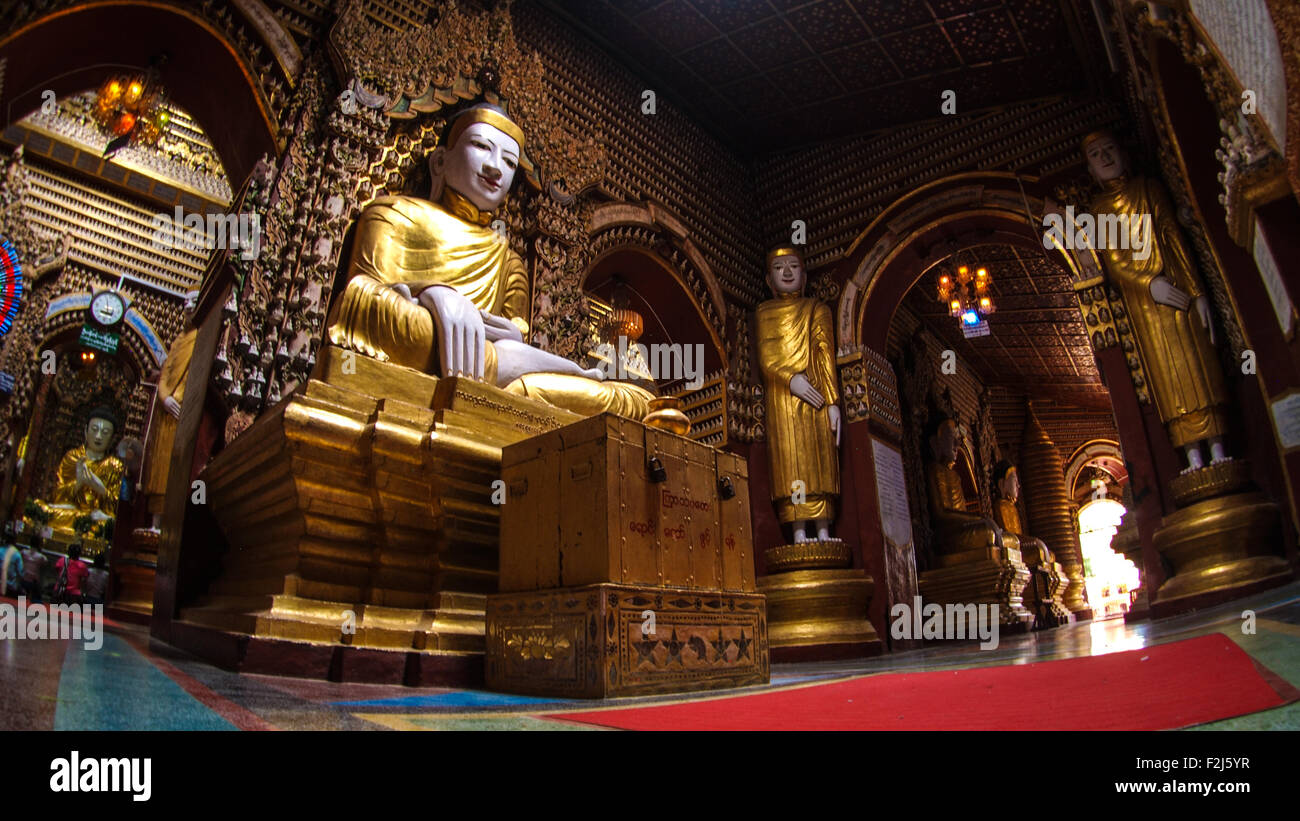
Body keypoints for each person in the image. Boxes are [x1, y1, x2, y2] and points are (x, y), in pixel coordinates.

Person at [326, 102, 650, 419]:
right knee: (377, 315)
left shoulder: (509, 261)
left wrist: (501, 338)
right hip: (425, 342)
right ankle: (503, 381)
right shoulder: (394, 215)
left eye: (509, 163)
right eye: (481, 146)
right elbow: (360, 297)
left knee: (634, 401)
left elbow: (515, 333)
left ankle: (516, 382)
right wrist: (434, 294)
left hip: (494, 359)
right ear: (440, 162)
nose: (495, 167)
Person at [755, 245, 842, 543]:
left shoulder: (817, 309)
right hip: (783, 398)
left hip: (816, 394)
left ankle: (823, 529)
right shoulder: (764, 312)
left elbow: (824, 353)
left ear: (804, 276)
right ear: (769, 280)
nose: (788, 272)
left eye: (793, 266)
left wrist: (832, 402)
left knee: (819, 460)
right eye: (780, 268)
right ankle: (798, 531)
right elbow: (767, 359)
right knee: (791, 461)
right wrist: (791, 380)